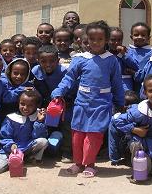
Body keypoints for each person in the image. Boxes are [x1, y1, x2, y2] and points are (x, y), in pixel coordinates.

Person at [52, 20, 124, 178]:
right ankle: (78, 163)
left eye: (100, 39)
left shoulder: (111, 60)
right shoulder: (80, 59)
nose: (96, 42)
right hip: (82, 103)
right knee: (77, 134)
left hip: (101, 104)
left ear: (106, 40)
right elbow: (69, 79)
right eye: (92, 39)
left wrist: (120, 102)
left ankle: (90, 164)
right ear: (87, 40)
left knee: (94, 135)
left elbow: (117, 83)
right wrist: (58, 91)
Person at [32, 44, 77, 162]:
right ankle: (42, 149)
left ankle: (67, 152)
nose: (48, 64)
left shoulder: (64, 72)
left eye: (52, 61)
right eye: (43, 61)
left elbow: (71, 89)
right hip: (44, 104)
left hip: (64, 104)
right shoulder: (35, 72)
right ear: (38, 61)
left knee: (67, 124)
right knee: (40, 123)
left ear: (58, 60)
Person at [0, 90, 48, 174]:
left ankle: (31, 158)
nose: (25, 108)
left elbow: (38, 136)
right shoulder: (11, 118)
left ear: (36, 106)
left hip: (27, 146)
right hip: (11, 149)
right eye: (22, 104)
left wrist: (40, 122)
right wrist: (11, 145)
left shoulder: (38, 116)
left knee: (43, 141)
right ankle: (15, 160)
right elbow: (4, 136)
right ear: (18, 103)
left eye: (30, 105)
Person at [109, 27, 135, 92]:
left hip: (125, 85)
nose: (116, 42)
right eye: (113, 40)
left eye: (119, 40)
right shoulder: (105, 53)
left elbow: (134, 66)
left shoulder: (127, 51)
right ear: (107, 39)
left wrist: (124, 55)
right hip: (109, 85)